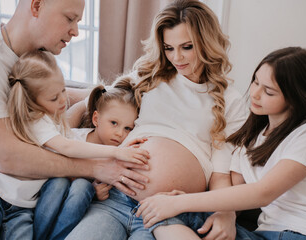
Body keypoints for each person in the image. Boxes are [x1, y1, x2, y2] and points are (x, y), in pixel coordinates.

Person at [0, 0, 149, 236]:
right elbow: (7, 159)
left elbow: (64, 96)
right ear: (37, 6)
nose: (76, 31)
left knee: (76, 189)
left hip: (29, 194)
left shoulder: (34, 57)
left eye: (78, 22)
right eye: (70, 18)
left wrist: (128, 96)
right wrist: (96, 169)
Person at [66, 0, 247, 239]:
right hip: (114, 199)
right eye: (169, 48)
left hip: (169, 212)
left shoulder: (229, 100)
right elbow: (94, 99)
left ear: (207, 42)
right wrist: (63, 133)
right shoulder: (150, 76)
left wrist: (226, 212)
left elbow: (221, 175)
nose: (177, 57)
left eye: (187, 47)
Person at [136, 46, 306, 240]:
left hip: (301, 234)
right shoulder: (250, 138)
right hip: (263, 234)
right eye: (256, 82)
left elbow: (263, 192)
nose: (255, 94)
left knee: (172, 207)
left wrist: (180, 202)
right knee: (162, 212)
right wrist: (221, 213)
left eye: (269, 92)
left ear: (296, 98)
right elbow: (235, 192)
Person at [75, 76, 147, 201]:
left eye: (127, 128)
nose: (119, 133)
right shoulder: (73, 139)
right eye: (114, 123)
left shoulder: (119, 153)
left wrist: (92, 193)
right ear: (96, 119)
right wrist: (89, 189)